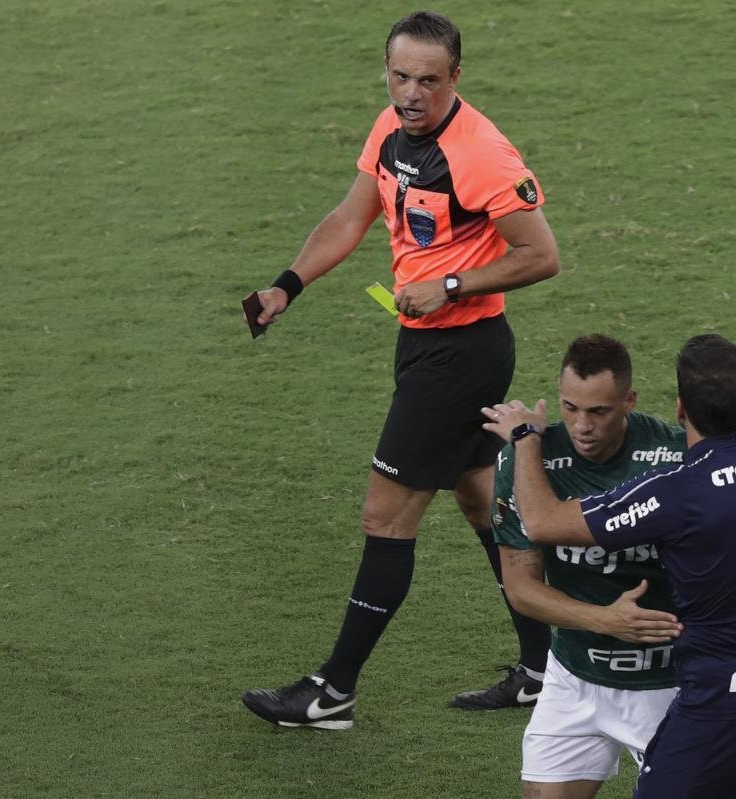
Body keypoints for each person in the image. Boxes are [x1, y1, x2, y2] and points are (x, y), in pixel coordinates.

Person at [240, 10, 560, 730]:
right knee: (483, 501)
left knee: (385, 516)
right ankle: (545, 667)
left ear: (456, 78)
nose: (411, 92)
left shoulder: (482, 153)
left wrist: (450, 285)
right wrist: (285, 286)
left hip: (461, 353)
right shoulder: (388, 129)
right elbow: (352, 216)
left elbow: (542, 255)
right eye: (399, 75)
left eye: (428, 79)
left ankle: (333, 689)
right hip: (426, 347)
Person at [488, 335, 736, 798]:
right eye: (570, 407)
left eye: (598, 411)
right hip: (576, 676)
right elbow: (520, 589)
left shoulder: (675, 471)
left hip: (674, 685)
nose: (582, 426)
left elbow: (541, 522)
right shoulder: (529, 462)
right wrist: (603, 619)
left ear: (640, 403)